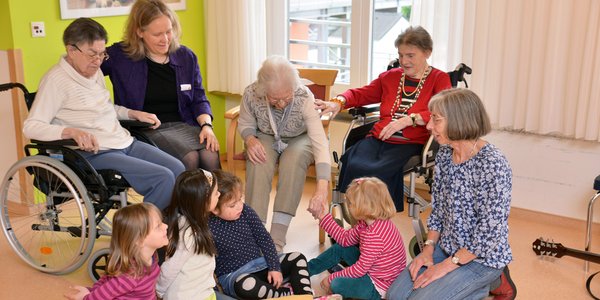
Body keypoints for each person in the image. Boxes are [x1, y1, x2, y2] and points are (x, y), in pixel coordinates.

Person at [23, 17, 184, 210]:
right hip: (94, 153)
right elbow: (31, 127)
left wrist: (132, 113)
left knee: (178, 169)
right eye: (92, 54)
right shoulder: (56, 81)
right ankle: (141, 234)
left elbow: (105, 108)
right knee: (162, 177)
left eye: (102, 54)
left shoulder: (94, 71)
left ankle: (165, 228)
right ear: (71, 50)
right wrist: (71, 132)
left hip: (123, 141)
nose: (98, 61)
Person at [387, 88, 515, 300]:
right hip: (447, 247)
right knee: (395, 296)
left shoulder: (493, 164)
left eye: (436, 120)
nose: (429, 126)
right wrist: (427, 249)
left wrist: (446, 266)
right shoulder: (445, 155)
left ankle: (490, 282)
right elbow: (438, 210)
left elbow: (488, 234)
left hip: (481, 258)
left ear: (458, 120)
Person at [315, 26, 451, 212]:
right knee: (352, 162)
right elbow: (361, 93)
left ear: (427, 52)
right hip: (380, 137)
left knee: (377, 173)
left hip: (411, 142)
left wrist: (409, 120)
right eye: (401, 55)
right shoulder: (390, 77)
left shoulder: (439, 79)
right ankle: (358, 220)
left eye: (410, 55)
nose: (404, 61)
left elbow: (444, 110)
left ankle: (377, 223)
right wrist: (339, 102)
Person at [101, 0, 220, 171]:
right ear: (139, 32)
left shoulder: (186, 57)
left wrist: (207, 126)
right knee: (190, 158)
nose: (165, 39)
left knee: (210, 153)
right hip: (146, 129)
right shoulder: (121, 56)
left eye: (169, 31)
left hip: (184, 124)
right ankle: (184, 199)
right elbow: (87, 66)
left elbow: (199, 98)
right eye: (157, 34)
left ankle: (214, 198)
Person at [238, 55, 331, 251]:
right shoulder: (251, 94)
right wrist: (250, 139)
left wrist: (322, 187)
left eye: (286, 97)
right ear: (263, 91)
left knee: (293, 160)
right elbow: (246, 124)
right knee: (258, 159)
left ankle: (277, 236)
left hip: (301, 137)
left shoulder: (304, 96)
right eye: (274, 99)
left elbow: (319, 141)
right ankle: (255, 231)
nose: (281, 104)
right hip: (266, 135)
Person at [209, 170, 313, 299]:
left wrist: (274, 267)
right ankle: (286, 294)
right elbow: (206, 263)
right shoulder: (207, 227)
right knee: (246, 286)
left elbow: (264, 239)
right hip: (237, 276)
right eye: (232, 205)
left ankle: (305, 296)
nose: (239, 206)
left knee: (298, 258)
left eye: (240, 199)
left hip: (261, 264)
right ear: (214, 209)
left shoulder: (245, 211)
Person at [307, 177, 406, 300]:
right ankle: (305, 270)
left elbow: (359, 270)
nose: (349, 206)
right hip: (371, 269)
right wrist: (324, 217)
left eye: (351, 203)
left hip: (379, 285)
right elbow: (345, 239)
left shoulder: (374, 236)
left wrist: (331, 278)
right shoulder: (366, 223)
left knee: (337, 284)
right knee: (340, 248)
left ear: (365, 206)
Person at [65, 203, 168, 300]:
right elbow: (103, 292)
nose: (166, 226)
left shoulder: (152, 255)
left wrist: (91, 291)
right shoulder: (129, 277)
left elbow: (109, 279)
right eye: (158, 226)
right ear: (139, 240)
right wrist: (88, 296)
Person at [156, 169, 219, 300]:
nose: (219, 194)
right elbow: (170, 268)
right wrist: (159, 292)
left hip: (202, 291)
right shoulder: (188, 233)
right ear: (203, 201)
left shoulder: (193, 222)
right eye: (215, 193)